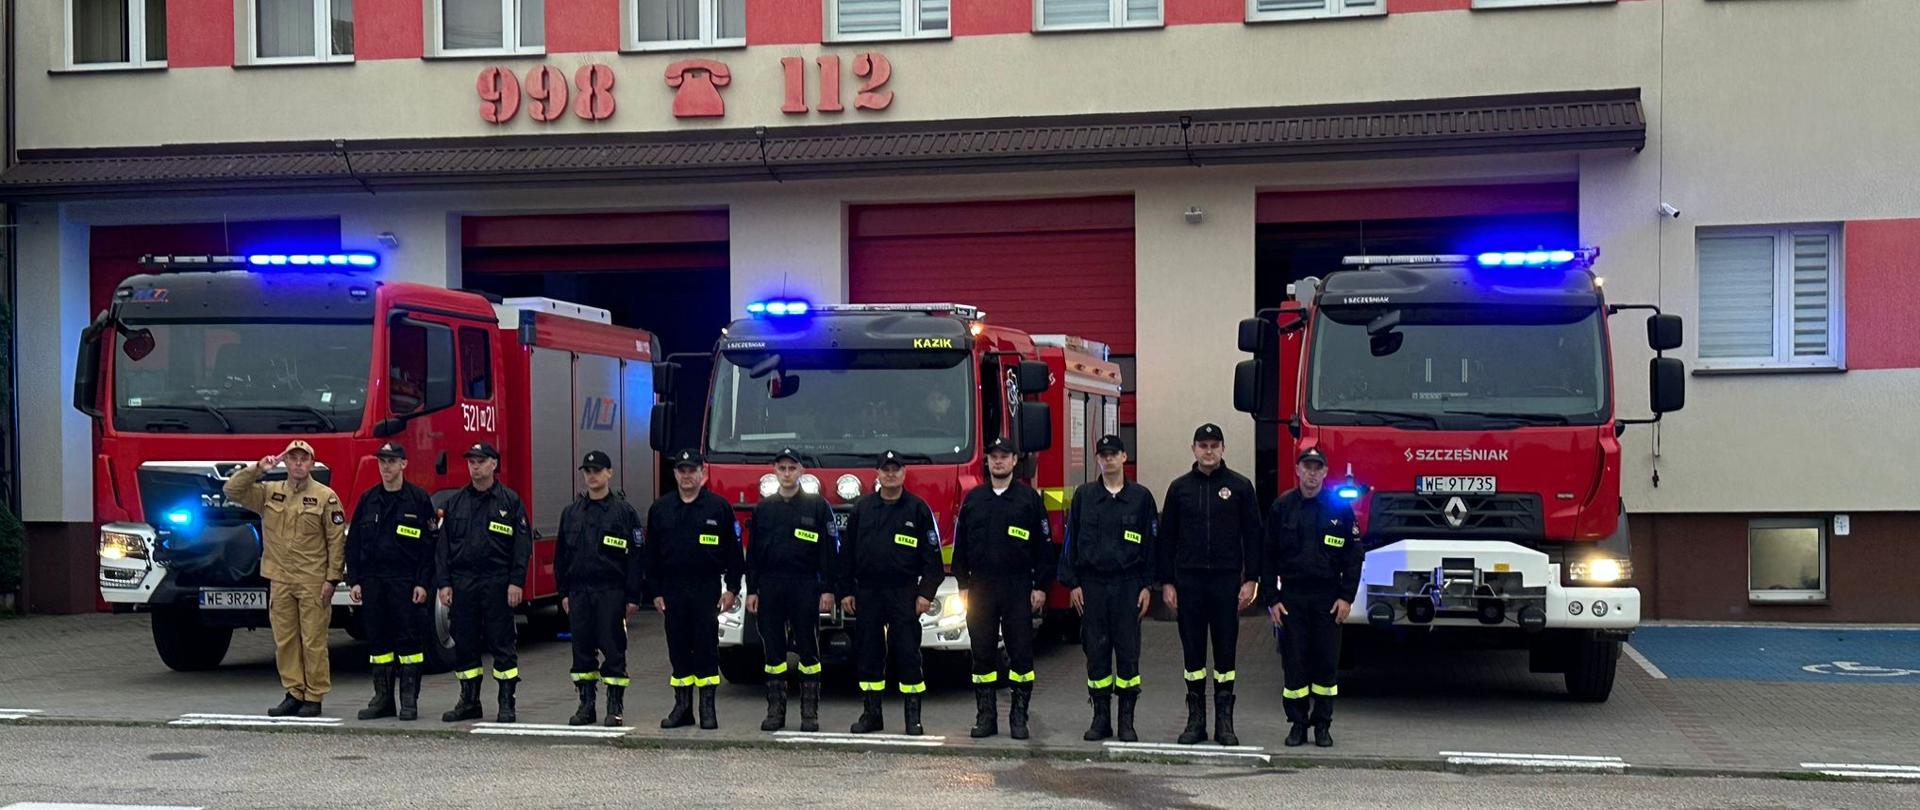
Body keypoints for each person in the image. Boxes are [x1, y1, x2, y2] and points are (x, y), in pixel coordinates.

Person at [223, 439, 346, 718]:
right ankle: (293, 693)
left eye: (304, 459)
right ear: (286, 462)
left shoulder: (326, 496)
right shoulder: (269, 492)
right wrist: (258, 469)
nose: (298, 463)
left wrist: (332, 579)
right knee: (286, 641)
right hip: (279, 579)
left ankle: (314, 696)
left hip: (312, 580)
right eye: (293, 458)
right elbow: (232, 490)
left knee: (313, 641)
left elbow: (336, 541)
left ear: (312, 464)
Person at [1157, 423, 1263, 746]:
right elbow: (1166, 539)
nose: (1208, 451)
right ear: (1193, 449)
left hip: (1226, 581)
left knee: (1226, 653)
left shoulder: (1241, 487)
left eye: (1214, 445)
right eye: (1203, 445)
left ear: (1223, 449)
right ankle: (1196, 720)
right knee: (1193, 654)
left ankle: (1225, 723)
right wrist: (1166, 582)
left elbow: (1254, 536)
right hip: (1189, 581)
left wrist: (1252, 579)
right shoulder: (1179, 489)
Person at [951, 436, 1052, 739]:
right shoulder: (974, 499)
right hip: (981, 587)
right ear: (987, 461)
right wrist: (963, 584)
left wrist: (1041, 586)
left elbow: (1043, 547)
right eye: (993, 456)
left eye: (1004, 456)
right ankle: (986, 717)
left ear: (1014, 461)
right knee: (982, 654)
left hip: (1017, 586)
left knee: (1020, 654)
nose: (998, 461)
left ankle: (1018, 717)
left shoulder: (1028, 500)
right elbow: (961, 546)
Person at [1058, 434, 1157, 742]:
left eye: (1114, 453)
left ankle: (1127, 721)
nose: (1108, 459)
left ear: (1124, 457)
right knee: (1096, 653)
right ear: (1097, 459)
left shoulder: (1141, 498)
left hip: (1128, 586)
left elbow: (1153, 546)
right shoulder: (1084, 497)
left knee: (1128, 654)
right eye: (1103, 455)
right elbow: (1070, 542)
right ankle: (1101, 719)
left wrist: (1147, 586)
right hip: (1093, 586)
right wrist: (1072, 583)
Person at [1263, 446, 1363, 748]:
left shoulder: (1339, 510)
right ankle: (1297, 724)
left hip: (1327, 598)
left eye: (1317, 468)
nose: (1311, 473)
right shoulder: (1282, 508)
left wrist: (1346, 597)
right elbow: (1267, 556)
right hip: (1292, 598)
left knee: (1325, 664)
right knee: (1295, 664)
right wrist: (1271, 598)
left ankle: (1322, 725)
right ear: (1297, 470)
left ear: (1324, 472)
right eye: (1306, 467)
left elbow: (1353, 556)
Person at [840, 450, 944, 736]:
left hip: (904, 594)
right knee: (869, 654)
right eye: (885, 470)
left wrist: (925, 594)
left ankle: (913, 719)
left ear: (904, 473)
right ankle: (871, 715)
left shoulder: (917, 510)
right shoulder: (862, 509)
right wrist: (846, 591)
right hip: (868, 593)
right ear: (877, 474)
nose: (890, 474)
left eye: (895, 469)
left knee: (908, 653)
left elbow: (933, 560)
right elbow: (846, 555)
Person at [644, 449, 744, 731]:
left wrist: (733, 588)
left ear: (703, 473)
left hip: (706, 588)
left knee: (705, 648)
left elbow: (735, 553)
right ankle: (682, 708)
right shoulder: (661, 509)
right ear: (675, 474)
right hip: (673, 589)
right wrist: (655, 592)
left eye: (692, 470)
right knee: (677, 648)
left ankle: (707, 709)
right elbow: (651, 556)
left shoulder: (719, 508)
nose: (687, 476)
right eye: (682, 470)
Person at [435, 442, 532, 724]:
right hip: (463, 584)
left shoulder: (509, 502)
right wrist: (444, 584)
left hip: (497, 583)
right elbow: (442, 549)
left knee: (502, 644)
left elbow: (521, 546)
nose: (474, 466)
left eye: (480, 461)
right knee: (464, 644)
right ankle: (469, 701)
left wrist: (516, 582)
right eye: (471, 461)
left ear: (494, 464)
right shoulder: (454, 504)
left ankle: (506, 703)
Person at [746, 448, 840, 733]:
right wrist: (752, 590)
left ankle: (809, 713)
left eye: (792, 468)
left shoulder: (817, 506)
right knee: (773, 651)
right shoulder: (764, 509)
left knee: (808, 650)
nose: (787, 474)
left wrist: (828, 590)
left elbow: (828, 551)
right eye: (782, 468)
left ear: (801, 472)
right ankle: (775, 711)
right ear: (775, 472)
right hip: (771, 585)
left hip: (805, 584)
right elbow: (754, 554)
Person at [345, 442, 436, 721]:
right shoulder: (368, 499)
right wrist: (355, 580)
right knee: (379, 644)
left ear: (404, 465)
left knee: (409, 644)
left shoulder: (418, 500)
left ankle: (408, 700)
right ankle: (382, 699)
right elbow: (354, 543)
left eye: (392, 461)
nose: (386, 467)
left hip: (405, 583)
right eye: (382, 461)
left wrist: (423, 583)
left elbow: (429, 546)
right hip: (373, 583)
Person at [555, 450, 646, 727]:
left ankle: (614, 707)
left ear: (610, 473)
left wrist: (633, 596)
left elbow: (636, 556)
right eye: (587, 471)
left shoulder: (624, 512)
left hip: (611, 591)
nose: (592, 476)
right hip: (580, 592)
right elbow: (562, 556)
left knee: (614, 650)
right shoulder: (571, 513)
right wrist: (564, 593)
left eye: (597, 470)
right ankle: (586, 706)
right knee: (581, 651)